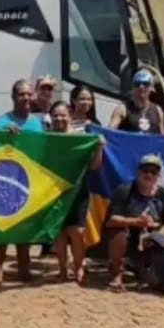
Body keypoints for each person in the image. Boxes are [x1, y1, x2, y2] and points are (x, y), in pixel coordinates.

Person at [0, 80, 46, 289]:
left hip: (28, 180)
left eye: (29, 94)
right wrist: (4, 136)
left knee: (25, 225)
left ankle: (24, 267)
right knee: (2, 227)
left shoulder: (38, 123)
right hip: (5, 180)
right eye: (22, 94)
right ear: (13, 97)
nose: (26, 98)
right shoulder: (2, 122)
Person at [103, 154, 164, 292]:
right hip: (128, 238)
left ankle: (153, 271)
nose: (149, 174)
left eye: (154, 172)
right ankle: (116, 275)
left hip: (151, 239)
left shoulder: (163, 194)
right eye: (145, 170)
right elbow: (111, 220)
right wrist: (135, 222)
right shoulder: (124, 191)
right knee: (118, 233)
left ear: (158, 176)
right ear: (138, 172)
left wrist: (158, 235)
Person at [49, 100, 101, 285]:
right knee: (60, 232)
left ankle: (78, 266)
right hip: (55, 191)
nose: (59, 119)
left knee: (77, 231)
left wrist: (99, 146)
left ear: (70, 115)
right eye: (55, 115)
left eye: (62, 115)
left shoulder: (81, 138)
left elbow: (95, 166)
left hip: (79, 190)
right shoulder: (47, 138)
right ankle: (63, 269)